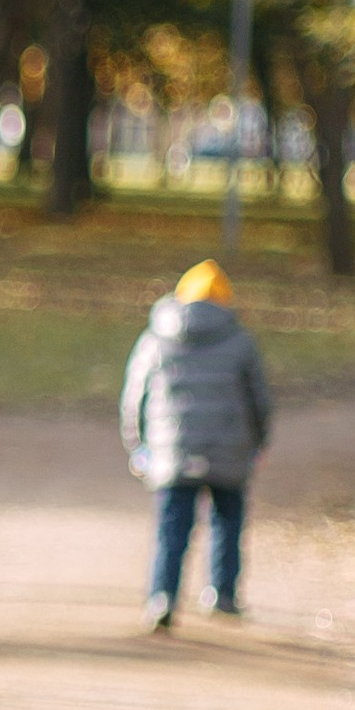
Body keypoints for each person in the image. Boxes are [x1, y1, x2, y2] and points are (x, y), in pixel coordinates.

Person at [120, 256, 272, 629]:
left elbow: (134, 397)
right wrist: (257, 443)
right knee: (228, 518)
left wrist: (137, 446)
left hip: (171, 450)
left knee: (172, 526)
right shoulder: (240, 340)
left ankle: (163, 595)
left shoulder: (156, 338)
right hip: (229, 448)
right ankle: (222, 592)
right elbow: (259, 400)